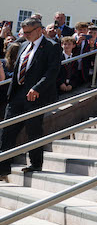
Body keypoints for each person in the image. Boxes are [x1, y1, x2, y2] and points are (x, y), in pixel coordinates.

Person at [0, 18, 61, 181]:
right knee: (7, 131)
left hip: (36, 95)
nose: (25, 35)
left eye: (28, 32)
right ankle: (2, 169)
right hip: (17, 95)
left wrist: (37, 88)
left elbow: (52, 71)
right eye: (24, 32)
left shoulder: (52, 47)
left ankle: (35, 163)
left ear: (39, 30)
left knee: (33, 130)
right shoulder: (23, 46)